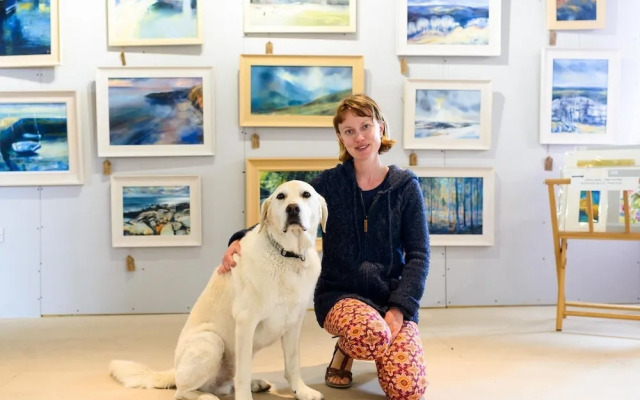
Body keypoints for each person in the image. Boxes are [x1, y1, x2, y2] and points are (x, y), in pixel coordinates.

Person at [220, 94, 430, 400]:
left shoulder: (405, 186)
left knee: (407, 390)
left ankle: (381, 341)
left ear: (380, 128)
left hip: (391, 298)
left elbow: (419, 255)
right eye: (348, 131)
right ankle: (346, 348)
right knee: (369, 335)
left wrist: (399, 310)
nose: (359, 137)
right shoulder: (328, 184)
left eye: (365, 126)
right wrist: (239, 238)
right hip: (340, 295)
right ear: (340, 138)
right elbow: (285, 210)